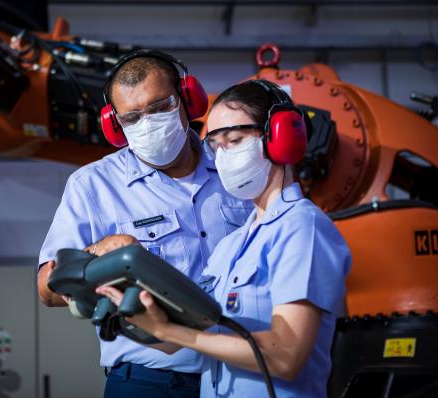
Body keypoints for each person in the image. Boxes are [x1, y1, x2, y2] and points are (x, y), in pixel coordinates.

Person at [97, 80, 352, 398]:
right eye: (215, 147)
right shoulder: (231, 247)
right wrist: (141, 318)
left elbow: (285, 355)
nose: (222, 157)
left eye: (234, 140)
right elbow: (197, 337)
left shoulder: (303, 227)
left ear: (280, 136)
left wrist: (170, 331)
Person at [37, 50, 254, 398]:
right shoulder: (93, 186)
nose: (148, 123)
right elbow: (46, 289)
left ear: (188, 99)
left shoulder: (238, 170)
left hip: (245, 375)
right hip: (152, 381)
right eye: (132, 117)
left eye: (159, 108)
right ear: (115, 124)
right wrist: (95, 255)